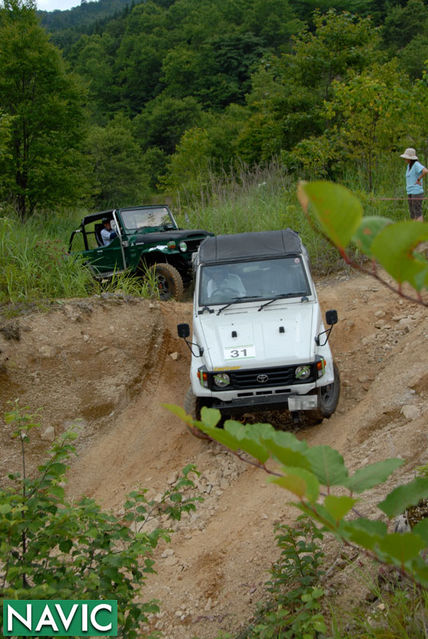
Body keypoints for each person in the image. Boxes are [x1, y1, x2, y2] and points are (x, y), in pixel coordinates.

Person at [400, 148, 428, 221]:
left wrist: (419, 179)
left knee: (417, 212)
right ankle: (414, 228)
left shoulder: (416, 165)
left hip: (416, 192)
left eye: (406, 157)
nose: (405, 159)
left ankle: (419, 229)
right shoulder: (408, 166)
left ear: (410, 158)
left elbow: (425, 171)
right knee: (412, 212)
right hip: (410, 191)